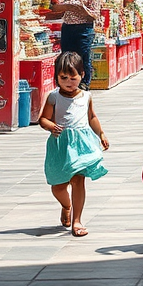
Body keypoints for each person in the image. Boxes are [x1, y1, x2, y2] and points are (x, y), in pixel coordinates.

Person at [38, 51, 109, 238]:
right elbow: (43, 119)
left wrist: (101, 133)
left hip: (81, 144)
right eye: (63, 78)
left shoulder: (86, 96)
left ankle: (77, 220)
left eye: (73, 77)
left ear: (82, 75)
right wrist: (51, 126)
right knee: (58, 186)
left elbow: (92, 117)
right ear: (57, 77)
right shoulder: (54, 97)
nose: (68, 81)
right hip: (61, 145)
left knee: (78, 179)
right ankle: (66, 205)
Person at [49, 0, 102, 89]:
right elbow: (58, 7)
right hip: (68, 27)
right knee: (66, 56)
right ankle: (66, 80)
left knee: (82, 56)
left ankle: (84, 83)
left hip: (83, 29)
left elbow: (94, 16)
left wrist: (80, 10)